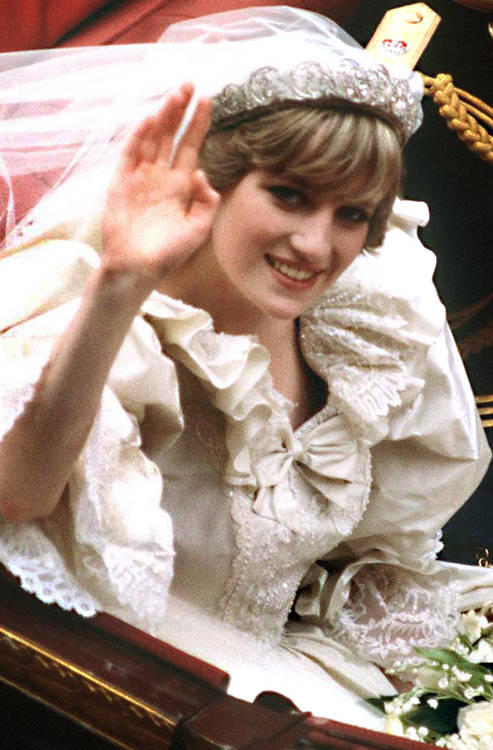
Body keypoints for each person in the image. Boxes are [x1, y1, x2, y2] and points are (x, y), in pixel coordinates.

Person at [0, 6, 491, 731]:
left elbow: (362, 565)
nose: (315, 245)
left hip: (291, 691)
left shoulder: (367, 320)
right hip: (119, 702)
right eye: (288, 196)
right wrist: (121, 284)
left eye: (351, 214)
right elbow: (16, 495)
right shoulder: (111, 320)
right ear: (211, 182)